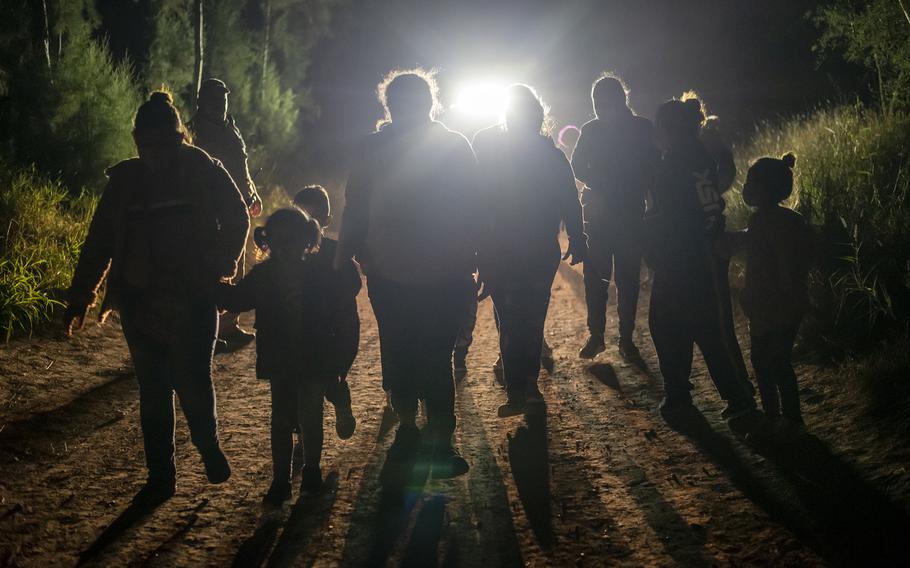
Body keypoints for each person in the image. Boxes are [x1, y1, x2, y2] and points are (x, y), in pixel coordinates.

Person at [64, 91, 250, 507]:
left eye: (164, 145)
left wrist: (218, 266)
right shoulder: (126, 182)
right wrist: (81, 295)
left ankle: (207, 442)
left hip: (193, 297)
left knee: (194, 382)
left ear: (179, 138)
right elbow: (99, 241)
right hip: (139, 302)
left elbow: (237, 215)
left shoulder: (202, 168)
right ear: (137, 143)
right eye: (147, 146)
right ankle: (161, 478)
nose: (155, 155)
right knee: (153, 390)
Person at [336, 69, 479, 479]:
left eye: (413, 102)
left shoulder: (447, 146)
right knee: (416, 352)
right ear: (391, 107)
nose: (409, 109)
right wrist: (347, 256)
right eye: (403, 103)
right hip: (401, 271)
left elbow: (474, 206)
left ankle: (427, 435)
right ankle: (420, 433)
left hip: (421, 271)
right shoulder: (451, 145)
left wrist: (347, 256)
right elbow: (356, 208)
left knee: (423, 353)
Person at [215, 208, 355, 505]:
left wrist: (208, 285)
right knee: (297, 417)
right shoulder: (315, 275)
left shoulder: (273, 275)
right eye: (281, 242)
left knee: (298, 417)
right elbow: (238, 299)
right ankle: (296, 476)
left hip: (300, 356)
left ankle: (295, 477)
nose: (285, 247)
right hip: (300, 357)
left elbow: (237, 299)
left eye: (289, 241)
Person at [644, 98, 759, 433]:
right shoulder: (694, 157)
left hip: (684, 257)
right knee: (695, 326)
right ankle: (726, 396)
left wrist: (656, 234)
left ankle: (697, 395)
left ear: (667, 129)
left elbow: (687, 213)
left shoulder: (680, 162)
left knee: (679, 326)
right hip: (693, 254)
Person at [474, 84, 587, 417]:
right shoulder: (550, 156)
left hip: (502, 254)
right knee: (530, 320)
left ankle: (519, 391)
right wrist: (578, 238)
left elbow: (475, 205)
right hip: (538, 252)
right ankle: (526, 388)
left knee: (512, 321)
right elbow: (570, 199)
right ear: (538, 117)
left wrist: (476, 251)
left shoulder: (491, 155)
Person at [571, 74, 659, 363]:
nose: (599, 107)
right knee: (603, 278)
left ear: (619, 100)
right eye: (596, 102)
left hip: (622, 214)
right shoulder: (634, 128)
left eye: (602, 101)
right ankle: (605, 337)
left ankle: (621, 338)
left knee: (623, 278)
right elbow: (577, 167)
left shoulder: (636, 129)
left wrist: (605, 183)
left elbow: (653, 167)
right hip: (611, 214)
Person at [735, 153, 813, 432]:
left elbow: (785, 264)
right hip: (775, 303)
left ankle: (787, 418)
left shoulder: (772, 222)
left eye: (752, 183)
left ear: (766, 188)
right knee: (770, 359)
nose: (747, 188)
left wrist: (779, 299)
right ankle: (779, 417)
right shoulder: (779, 219)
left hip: (777, 304)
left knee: (773, 361)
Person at [188, 78, 263, 350]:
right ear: (202, 102)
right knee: (215, 269)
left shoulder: (230, 127)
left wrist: (253, 194)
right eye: (214, 100)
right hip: (213, 212)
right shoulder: (193, 132)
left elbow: (241, 167)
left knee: (237, 267)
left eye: (223, 99)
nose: (220, 104)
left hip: (237, 207)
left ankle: (229, 325)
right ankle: (208, 331)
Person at [293, 184, 359, 439]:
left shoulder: (336, 254)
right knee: (300, 389)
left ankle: (341, 401)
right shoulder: (288, 256)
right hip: (301, 334)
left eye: (314, 218)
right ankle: (305, 440)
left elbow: (352, 287)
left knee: (331, 381)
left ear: (327, 221)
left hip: (334, 334)